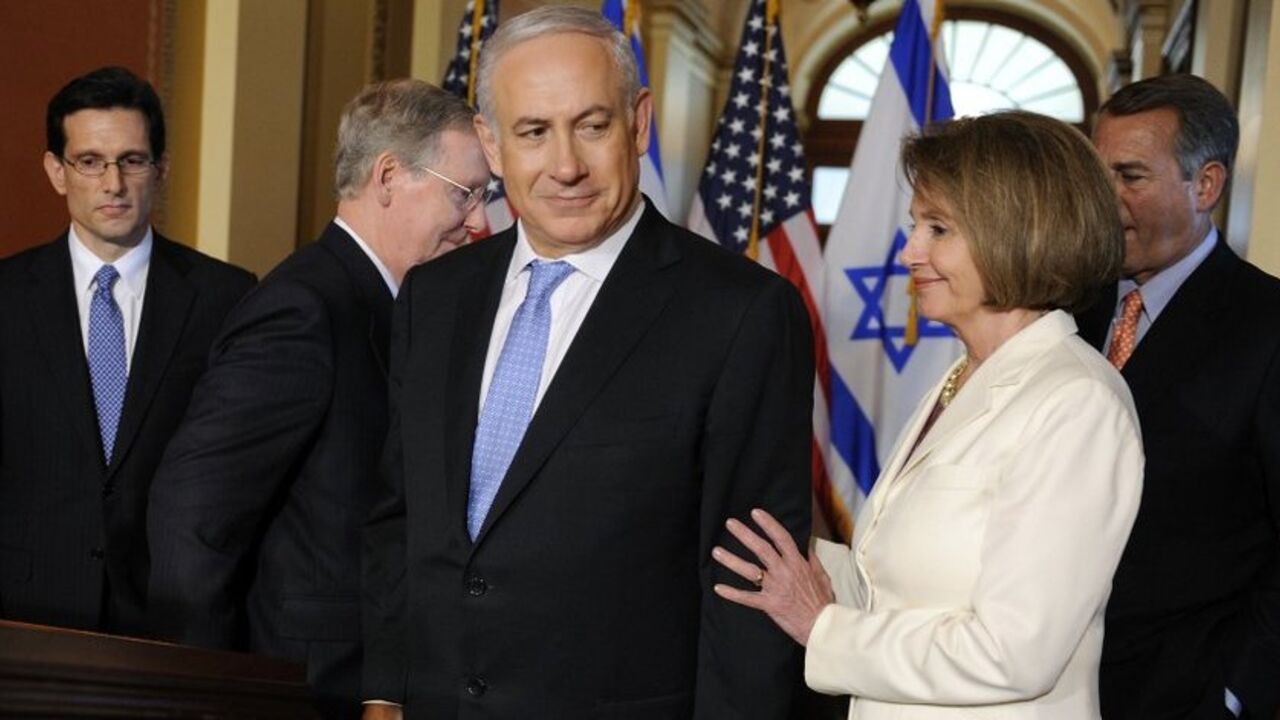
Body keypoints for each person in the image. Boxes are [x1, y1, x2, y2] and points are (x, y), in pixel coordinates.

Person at [361, 6, 813, 719]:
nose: (565, 165)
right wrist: (384, 692)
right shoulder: (435, 298)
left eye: (592, 126)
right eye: (534, 132)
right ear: (492, 144)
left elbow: (748, 591)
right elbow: (399, 516)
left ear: (638, 124)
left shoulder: (742, 314)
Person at [714, 111, 1144, 719]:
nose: (910, 250)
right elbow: (899, 586)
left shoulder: (1076, 402)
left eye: (938, 228)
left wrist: (822, 628)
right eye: (915, 225)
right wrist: (779, 547)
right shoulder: (960, 379)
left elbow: (1013, 652)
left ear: (1017, 232)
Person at [146, 79, 487, 715]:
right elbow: (192, 515)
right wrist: (206, 690)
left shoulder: (400, 307)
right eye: (466, 194)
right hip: (305, 685)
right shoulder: (303, 307)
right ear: (389, 177)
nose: (480, 222)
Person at [0, 66, 254, 636]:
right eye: (89, 162)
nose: (112, 183)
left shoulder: (227, 298)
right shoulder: (6, 298)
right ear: (56, 172)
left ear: (161, 169)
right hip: (24, 619)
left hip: (170, 618)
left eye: (132, 160)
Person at [1076, 73, 1280, 720]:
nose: (1105, 201)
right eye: (1097, 174)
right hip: (1048, 679)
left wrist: (1238, 691)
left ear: (1207, 185)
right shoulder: (1065, 305)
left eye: (1130, 177)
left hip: (1184, 692)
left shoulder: (1266, 325)